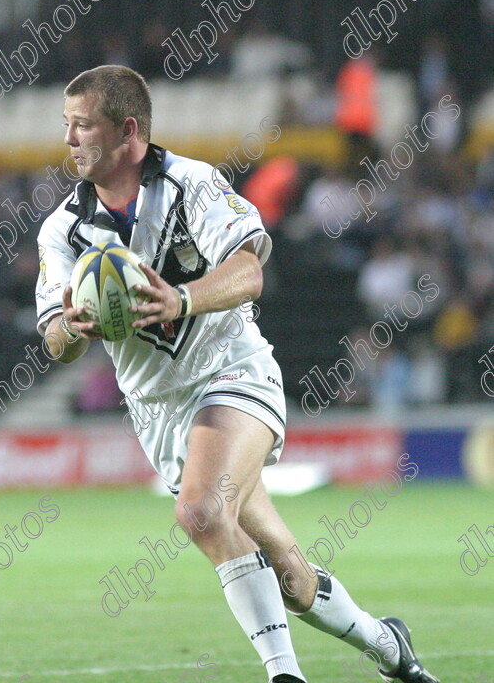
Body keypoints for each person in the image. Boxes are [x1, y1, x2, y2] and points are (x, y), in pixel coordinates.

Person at [35, 65, 439, 683]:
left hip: (231, 373)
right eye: (67, 126)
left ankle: (285, 676)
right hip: (158, 410)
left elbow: (250, 271)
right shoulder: (62, 229)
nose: (69, 141)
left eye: (82, 126)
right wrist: (74, 327)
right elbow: (54, 341)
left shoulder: (192, 184)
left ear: (128, 131)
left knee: (200, 514)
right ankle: (390, 647)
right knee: (291, 574)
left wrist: (182, 298)